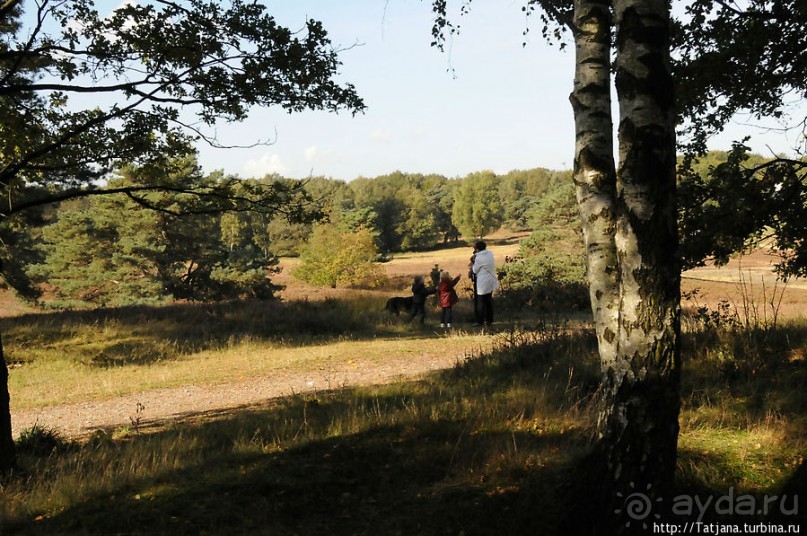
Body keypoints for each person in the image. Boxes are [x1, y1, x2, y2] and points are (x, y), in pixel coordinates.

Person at [471, 240, 497, 326]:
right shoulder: (490, 253)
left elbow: (475, 270)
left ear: (477, 249)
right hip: (491, 280)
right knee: (488, 301)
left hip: (482, 281)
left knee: (480, 302)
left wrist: (473, 260)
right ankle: (489, 319)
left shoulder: (478, 258)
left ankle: (480, 321)